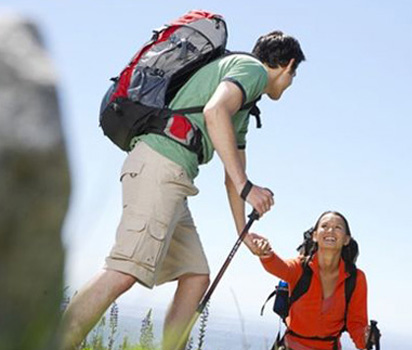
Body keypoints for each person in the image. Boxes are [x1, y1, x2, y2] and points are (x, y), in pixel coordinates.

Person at [61, 30, 305, 350]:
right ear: (287, 66)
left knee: (195, 275)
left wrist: (242, 232)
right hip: (161, 166)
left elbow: (234, 177)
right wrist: (248, 187)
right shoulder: (252, 70)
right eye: (293, 76)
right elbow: (214, 112)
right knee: (124, 270)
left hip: (175, 179)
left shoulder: (245, 101)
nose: (289, 83)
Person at [253, 211, 371, 350]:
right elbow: (281, 268)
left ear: (346, 240)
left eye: (338, 227)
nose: (331, 230)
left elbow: (356, 324)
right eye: (325, 226)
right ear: (315, 235)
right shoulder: (300, 267)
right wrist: (266, 254)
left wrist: (366, 338)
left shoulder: (356, 278)